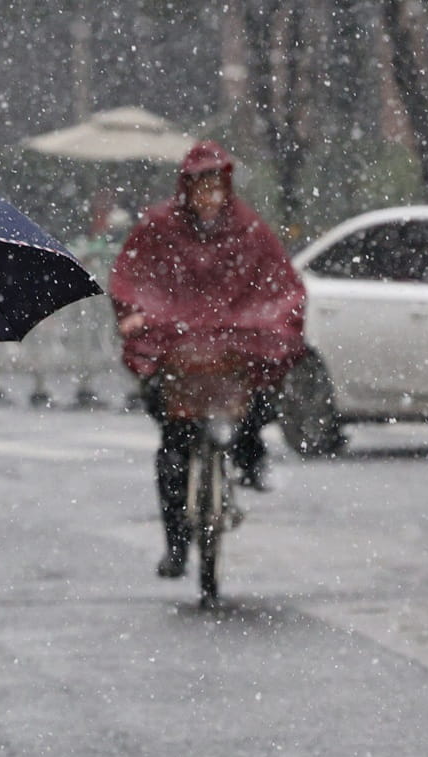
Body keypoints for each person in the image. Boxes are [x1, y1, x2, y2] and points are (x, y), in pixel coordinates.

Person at [109, 140, 307, 578]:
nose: (208, 197)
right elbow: (131, 277)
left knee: (261, 398)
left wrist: (276, 320)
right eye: (201, 187)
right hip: (177, 354)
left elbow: (278, 281)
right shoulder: (159, 227)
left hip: (231, 353)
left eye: (215, 186)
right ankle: (177, 546)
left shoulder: (247, 228)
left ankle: (251, 456)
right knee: (173, 450)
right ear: (187, 187)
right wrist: (135, 314)